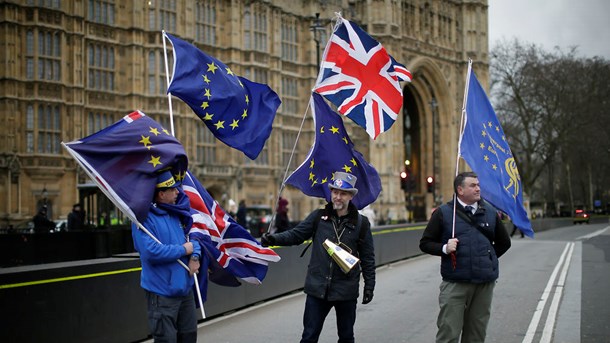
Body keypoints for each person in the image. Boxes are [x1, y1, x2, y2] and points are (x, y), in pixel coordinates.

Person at [261, 171, 376, 343]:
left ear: (351, 196)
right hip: (317, 288)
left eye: (343, 193)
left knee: (346, 337)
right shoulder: (318, 218)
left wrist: (369, 286)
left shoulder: (361, 223)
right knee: (309, 337)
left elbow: (368, 258)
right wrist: (273, 239)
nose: (338, 197)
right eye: (335, 192)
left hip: (346, 290)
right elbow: (295, 235)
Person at [419, 171, 511, 343]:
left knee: (476, 334)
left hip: (484, 283)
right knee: (448, 333)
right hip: (455, 283)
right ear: (460, 190)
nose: (478, 189)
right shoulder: (443, 213)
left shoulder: (490, 212)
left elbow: (504, 242)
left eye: (478, 185)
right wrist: (445, 248)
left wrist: (487, 258)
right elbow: (425, 243)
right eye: (473, 185)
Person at [131, 170, 201, 343]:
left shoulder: (177, 213)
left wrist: (195, 256)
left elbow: (194, 240)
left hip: (185, 291)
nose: (178, 192)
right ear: (161, 194)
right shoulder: (143, 219)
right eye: (173, 190)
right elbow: (151, 252)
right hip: (162, 293)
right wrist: (185, 250)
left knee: (189, 338)